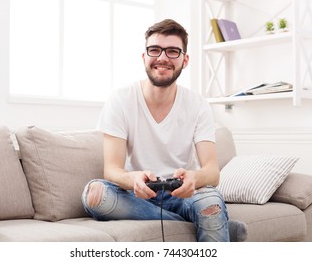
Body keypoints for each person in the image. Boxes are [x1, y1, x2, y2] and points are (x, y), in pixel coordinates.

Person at [82, 19, 229, 242]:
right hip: (136, 194)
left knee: (211, 203)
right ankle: (209, 225)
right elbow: (111, 170)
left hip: (182, 194)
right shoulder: (120, 99)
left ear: (184, 60)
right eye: (155, 50)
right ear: (144, 57)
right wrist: (133, 180)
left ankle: (212, 219)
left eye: (172, 51)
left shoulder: (198, 105)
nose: (162, 58)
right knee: (95, 194)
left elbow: (212, 172)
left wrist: (194, 178)